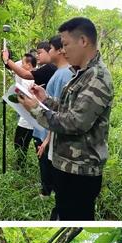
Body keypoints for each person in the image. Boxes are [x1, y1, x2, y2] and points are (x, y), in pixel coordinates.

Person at [19, 17, 114, 220]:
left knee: (75, 217)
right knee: (63, 213)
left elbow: (76, 123)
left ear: (83, 41)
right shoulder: (81, 74)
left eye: (65, 45)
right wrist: (46, 100)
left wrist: (37, 110)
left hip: (80, 171)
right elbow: (68, 109)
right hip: (67, 166)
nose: (63, 51)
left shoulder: (97, 77)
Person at [3, 41, 57, 196]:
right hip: (42, 118)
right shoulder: (49, 70)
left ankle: (46, 191)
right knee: (40, 151)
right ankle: (46, 187)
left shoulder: (50, 69)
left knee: (42, 152)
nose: (38, 56)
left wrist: (7, 60)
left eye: (40, 52)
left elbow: (24, 73)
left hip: (41, 119)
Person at [36, 35, 73, 219]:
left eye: (49, 48)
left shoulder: (66, 74)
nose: (47, 52)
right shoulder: (60, 72)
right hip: (48, 132)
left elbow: (60, 113)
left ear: (60, 50)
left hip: (52, 135)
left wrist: (47, 139)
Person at [13, 53, 37, 167]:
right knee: (23, 142)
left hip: (28, 118)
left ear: (28, 64)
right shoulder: (35, 75)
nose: (21, 65)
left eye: (23, 63)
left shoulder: (28, 80)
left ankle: (20, 166)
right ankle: (21, 165)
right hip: (29, 116)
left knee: (20, 143)